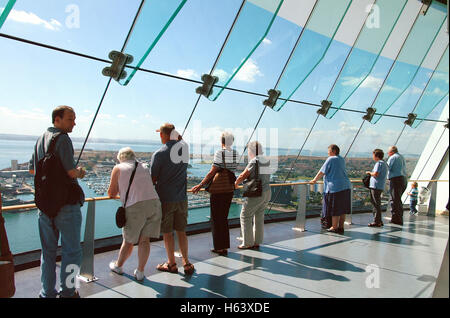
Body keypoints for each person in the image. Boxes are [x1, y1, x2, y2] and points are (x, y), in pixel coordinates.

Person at [28, 105, 85, 298]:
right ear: (57, 119)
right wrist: (80, 172)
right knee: (72, 253)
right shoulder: (63, 139)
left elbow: (31, 170)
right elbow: (71, 172)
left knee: (48, 253)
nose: (74, 123)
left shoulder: (40, 139)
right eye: (70, 119)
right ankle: (68, 291)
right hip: (66, 206)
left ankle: (47, 293)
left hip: (44, 207)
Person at [107, 147, 162, 281]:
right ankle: (140, 271)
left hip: (136, 206)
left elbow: (111, 193)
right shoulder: (143, 166)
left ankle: (118, 266)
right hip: (154, 203)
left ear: (120, 158)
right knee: (144, 240)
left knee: (129, 240)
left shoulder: (118, 168)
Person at [151, 123, 194, 275]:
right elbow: (183, 141)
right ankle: (187, 263)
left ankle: (171, 264)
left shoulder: (159, 154)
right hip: (181, 198)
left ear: (163, 135)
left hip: (166, 198)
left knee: (168, 232)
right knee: (181, 231)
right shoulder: (185, 150)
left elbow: (153, 178)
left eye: (160, 134)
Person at [191, 132, 238, 256]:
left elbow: (212, 172)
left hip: (218, 190)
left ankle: (219, 247)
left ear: (221, 141)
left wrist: (200, 185)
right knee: (223, 218)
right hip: (229, 188)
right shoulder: (235, 154)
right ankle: (224, 246)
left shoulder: (220, 153)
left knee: (216, 219)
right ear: (231, 142)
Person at [234, 141, 272, 249]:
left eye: (249, 151)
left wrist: (236, 183)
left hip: (257, 192)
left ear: (251, 150)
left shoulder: (254, 161)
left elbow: (243, 175)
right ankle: (257, 241)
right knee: (259, 217)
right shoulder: (266, 160)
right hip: (267, 191)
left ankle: (247, 243)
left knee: (245, 215)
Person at [310, 144, 351, 234]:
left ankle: (334, 227)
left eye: (329, 151)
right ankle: (341, 227)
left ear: (333, 151)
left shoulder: (331, 159)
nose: (328, 153)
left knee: (335, 208)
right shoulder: (341, 159)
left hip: (335, 187)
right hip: (346, 186)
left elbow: (322, 171)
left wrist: (314, 180)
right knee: (342, 209)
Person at [365, 149, 388, 227]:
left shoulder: (379, 163)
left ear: (376, 156)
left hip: (376, 186)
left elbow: (375, 174)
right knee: (377, 203)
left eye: (373, 155)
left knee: (375, 204)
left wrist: (369, 173)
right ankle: (379, 220)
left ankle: (376, 221)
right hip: (379, 185)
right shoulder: (384, 163)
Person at [386, 146, 407, 225]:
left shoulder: (393, 158)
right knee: (398, 199)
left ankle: (396, 219)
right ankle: (398, 217)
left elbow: (387, 168)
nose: (388, 154)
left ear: (391, 152)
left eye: (388, 152)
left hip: (396, 180)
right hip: (403, 179)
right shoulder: (401, 157)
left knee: (395, 200)